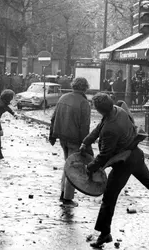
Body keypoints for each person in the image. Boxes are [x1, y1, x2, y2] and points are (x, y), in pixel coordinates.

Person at [79, 93, 149, 248]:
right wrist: (86, 142)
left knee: (109, 199)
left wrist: (89, 168)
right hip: (136, 155)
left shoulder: (110, 128)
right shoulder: (117, 110)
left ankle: (104, 234)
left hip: (123, 163)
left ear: (100, 110)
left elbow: (104, 156)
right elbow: (98, 128)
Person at [49, 77, 93, 206]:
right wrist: (86, 145)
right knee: (72, 168)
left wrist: (52, 135)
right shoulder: (84, 103)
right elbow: (84, 126)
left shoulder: (63, 97)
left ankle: (63, 193)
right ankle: (67, 198)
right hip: (75, 139)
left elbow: (54, 117)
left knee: (67, 165)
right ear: (85, 88)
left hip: (62, 137)